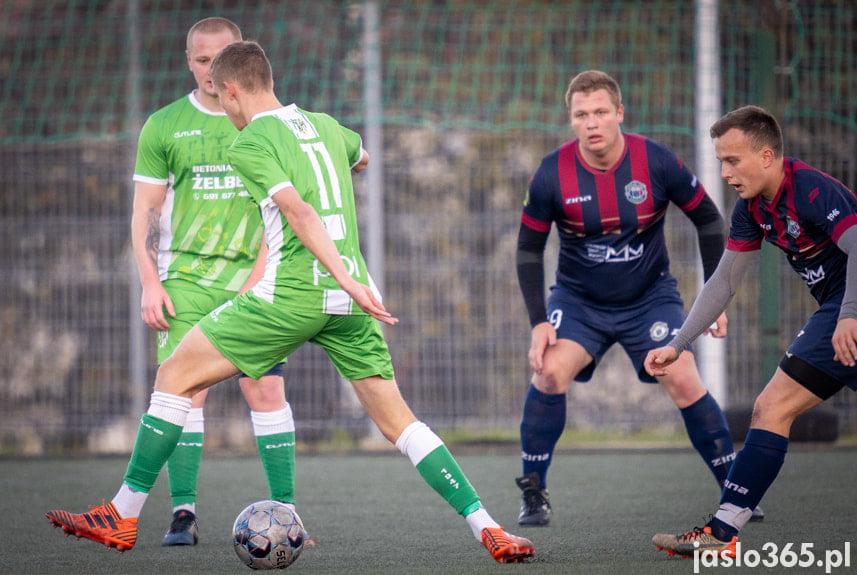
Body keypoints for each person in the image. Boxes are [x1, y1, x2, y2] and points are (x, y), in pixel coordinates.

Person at [47, 40, 535, 564]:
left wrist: (340, 274)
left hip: (293, 293)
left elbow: (299, 212)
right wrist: (349, 276)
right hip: (352, 304)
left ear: (230, 91)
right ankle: (489, 527)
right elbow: (361, 155)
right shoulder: (326, 126)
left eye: (223, 95)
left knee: (173, 376)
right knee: (400, 423)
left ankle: (122, 514)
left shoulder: (249, 143)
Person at [515, 70, 748, 527]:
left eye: (601, 112)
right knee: (548, 373)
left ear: (619, 113)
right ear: (571, 120)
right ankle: (534, 492)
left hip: (650, 299)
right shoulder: (551, 173)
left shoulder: (656, 161)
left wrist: (715, 298)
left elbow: (709, 220)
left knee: (682, 375)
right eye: (581, 115)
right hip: (580, 303)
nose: (592, 122)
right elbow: (527, 249)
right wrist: (538, 321)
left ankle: (737, 490)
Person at [648, 105, 857, 557]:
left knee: (771, 406)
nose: (724, 172)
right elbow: (724, 282)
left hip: (850, 309)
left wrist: (848, 313)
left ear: (767, 156)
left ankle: (722, 532)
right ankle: (722, 532)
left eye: (733, 160)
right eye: (721, 161)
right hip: (843, 310)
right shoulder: (752, 209)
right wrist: (677, 344)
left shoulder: (810, 189)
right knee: (772, 410)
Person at [130, 17, 297, 546]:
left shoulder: (267, 121)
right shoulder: (164, 125)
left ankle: (287, 513)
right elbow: (145, 214)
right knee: (184, 389)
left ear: (241, 58)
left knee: (266, 387)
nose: (210, 69)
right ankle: (183, 513)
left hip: (256, 278)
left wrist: (260, 275)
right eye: (201, 60)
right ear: (189, 61)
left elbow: (287, 207)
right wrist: (150, 283)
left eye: (220, 58)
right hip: (186, 280)